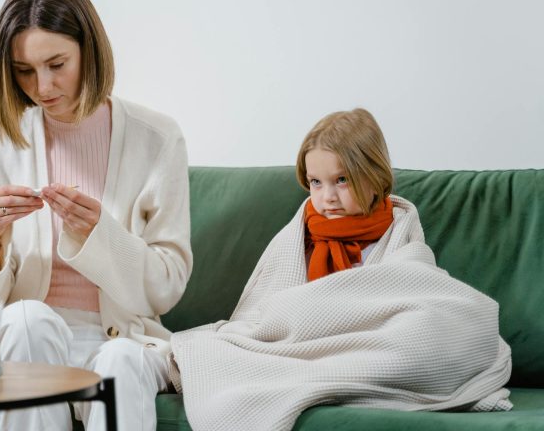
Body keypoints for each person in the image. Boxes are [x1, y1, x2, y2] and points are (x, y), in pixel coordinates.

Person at [169, 108, 511, 430]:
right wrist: (305, 312)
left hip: (366, 341)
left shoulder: (399, 225)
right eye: (316, 182)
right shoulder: (301, 230)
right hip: (300, 344)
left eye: (342, 180)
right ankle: (316, 374)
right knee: (224, 344)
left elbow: (415, 290)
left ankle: (332, 374)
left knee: (428, 327)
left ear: (375, 178)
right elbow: (266, 307)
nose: (327, 196)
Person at [0, 0, 193, 431]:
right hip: (29, 336)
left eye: (56, 64)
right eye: (23, 70)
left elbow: (167, 287)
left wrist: (102, 236)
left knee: (122, 360)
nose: (42, 86)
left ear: (90, 51)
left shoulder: (157, 138)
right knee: (25, 320)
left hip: (126, 337)